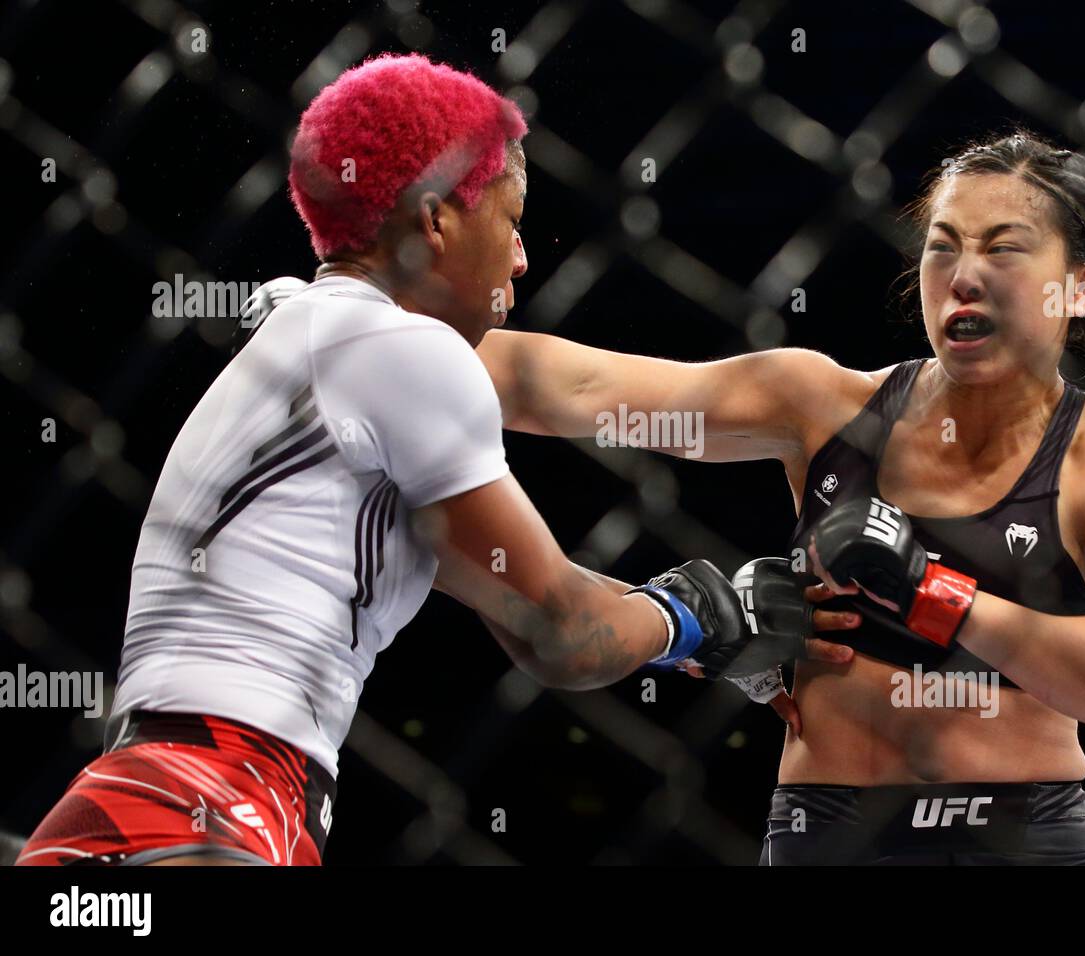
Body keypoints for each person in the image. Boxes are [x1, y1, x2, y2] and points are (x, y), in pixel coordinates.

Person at [16, 55, 831, 868]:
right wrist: (692, 614)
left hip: (152, 793)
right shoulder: (402, 351)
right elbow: (558, 632)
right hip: (218, 802)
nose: (519, 259)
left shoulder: (321, 340)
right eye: (511, 222)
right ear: (437, 221)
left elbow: (514, 574)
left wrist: (700, 625)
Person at [461, 130, 1085, 864]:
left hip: (1030, 835)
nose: (964, 274)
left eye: (1003, 247)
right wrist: (361, 317)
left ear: (1082, 285)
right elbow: (568, 387)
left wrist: (930, 594)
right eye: (942, 246)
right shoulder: (820, 406)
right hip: (828, 832)